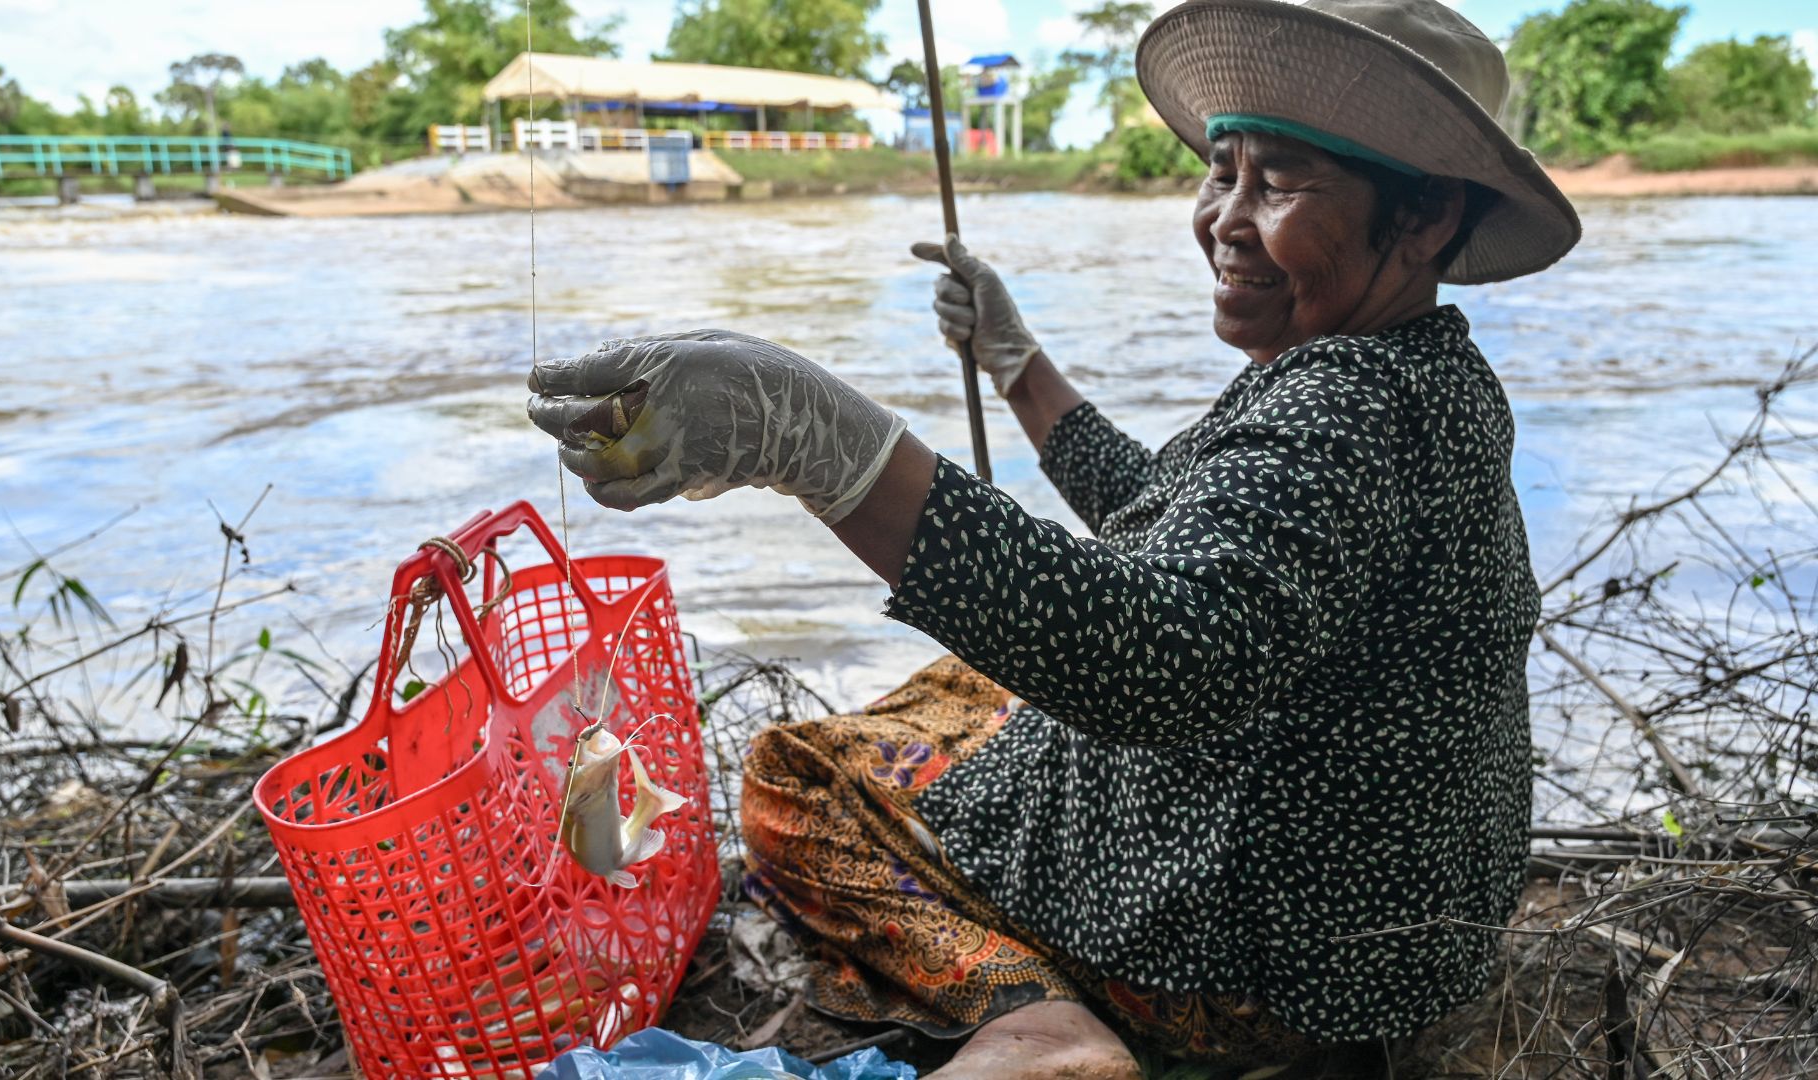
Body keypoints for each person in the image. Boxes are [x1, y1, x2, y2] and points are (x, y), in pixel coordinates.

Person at [526, 1, 1581, 1076]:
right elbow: (1155, 511)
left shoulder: (1345, 408)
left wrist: (815, 442)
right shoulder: (1414, 372)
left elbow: (1162, 664)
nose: (1225, 217)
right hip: (1389, 936)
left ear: (1426, 216)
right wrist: (1014, 359)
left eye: (1283, 183)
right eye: (1225, 170)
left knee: (795, 778)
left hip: (1264, 970)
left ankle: (1033, 1016)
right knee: (970, 680)